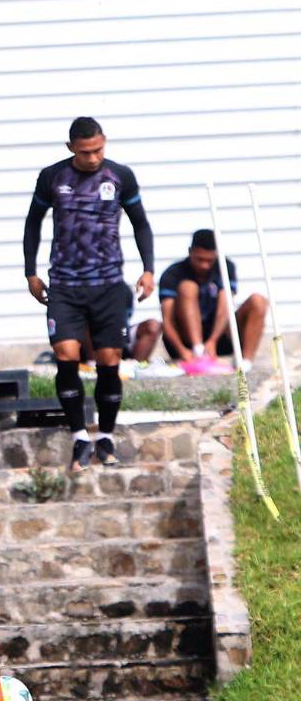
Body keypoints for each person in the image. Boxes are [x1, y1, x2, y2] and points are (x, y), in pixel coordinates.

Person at [23, 117, 154, 472]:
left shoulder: (120, 176)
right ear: (71, 149)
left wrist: (148, 269)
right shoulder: (52, 177)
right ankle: (80, 435)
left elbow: (140, 222)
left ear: (104, 143)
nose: (93, 158)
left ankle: (106, 436)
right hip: (64, 284)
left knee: (109, 360)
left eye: (98, 149)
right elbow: (32, 222)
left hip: (109, 285)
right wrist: (31, 272)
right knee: (67, 353)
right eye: (85, 152)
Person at [159, 229, 267, 368]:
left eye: (209, 260)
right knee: (188, 287)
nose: (204, 265)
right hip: (185, 342)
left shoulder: (225, 267)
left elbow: (225, 304)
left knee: (258, 301)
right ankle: (198, 350)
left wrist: (213, 340)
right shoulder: (172, 274)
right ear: (190, 251)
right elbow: (167, 322)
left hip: (220, 337)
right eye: (199, 259)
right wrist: (182, 350)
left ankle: (245, 363)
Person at [80, 283, 163, 364]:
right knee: (89, 323)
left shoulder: (122, 289)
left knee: (153, 325)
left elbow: (124, 323)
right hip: (96, 337)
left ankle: (133, 367)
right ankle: (93, 364)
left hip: (121, 333)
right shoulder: (87, 289)